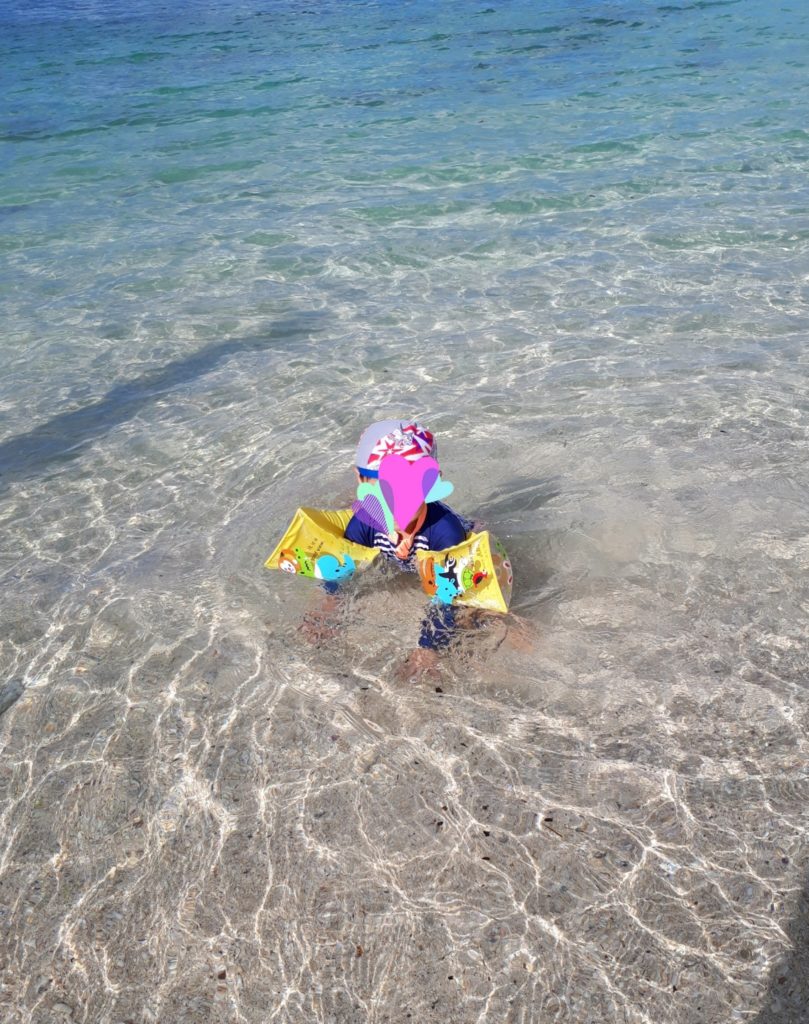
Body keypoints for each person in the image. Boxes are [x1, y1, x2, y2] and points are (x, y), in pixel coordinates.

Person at [301, 419, 473, 677]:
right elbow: (343, 570)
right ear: (360, 478)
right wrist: (327, 608)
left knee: (475, 609)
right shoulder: (364, 522)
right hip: (390, 539)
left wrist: (428, 649)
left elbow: (445, 599)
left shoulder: (445, 533)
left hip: (446, 540)